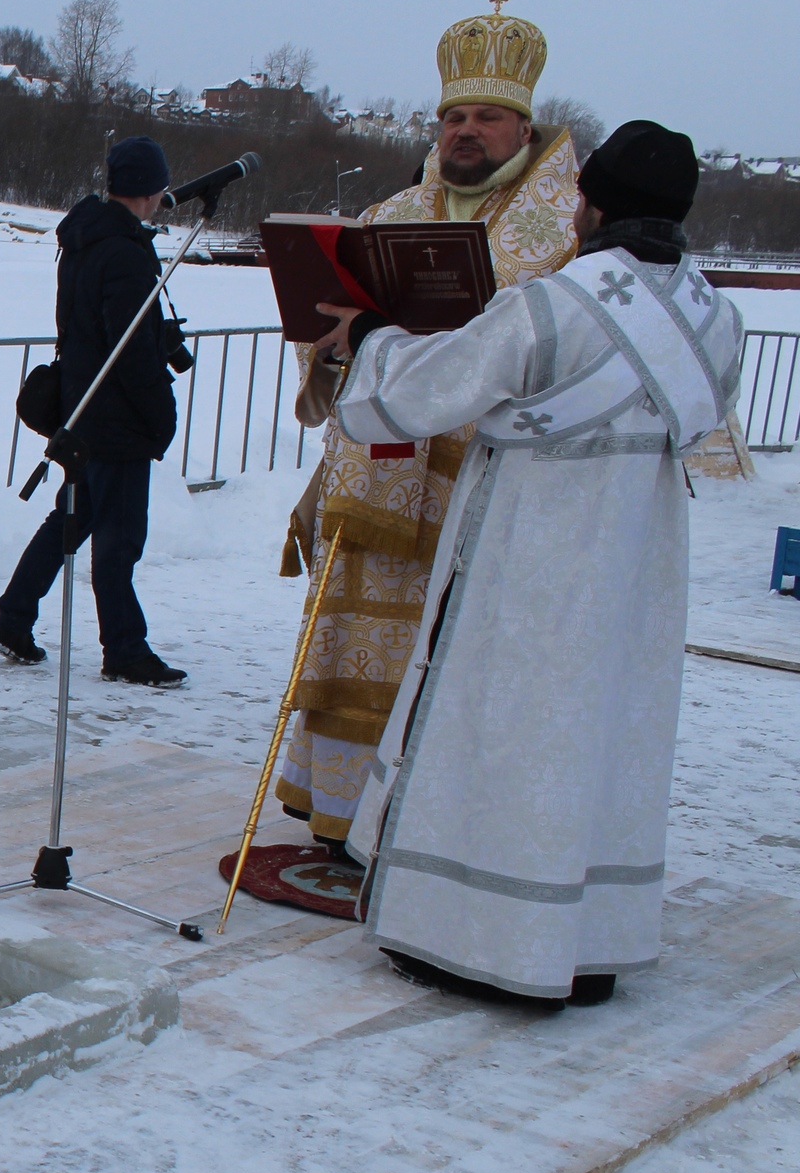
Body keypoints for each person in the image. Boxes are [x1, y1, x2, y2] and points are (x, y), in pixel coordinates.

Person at [311, 120, 739, 1006]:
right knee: (604, 739)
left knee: (500, 735)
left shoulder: (556, 304)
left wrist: (373, 338)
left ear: (590, 204)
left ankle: (473, 939)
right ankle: (585, 945)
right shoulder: (715, 318)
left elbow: (423, 391)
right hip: (635, 575)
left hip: (529, 562)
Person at [274, 2, 580, 855]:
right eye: (454, 116)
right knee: (351, 643)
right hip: (376, 472)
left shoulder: (564, 226)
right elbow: (326, 334)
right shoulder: (392, 208)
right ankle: (337, 819)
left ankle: (425, 829)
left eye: (485, 116)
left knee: (445, 658)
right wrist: (329, 344)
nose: (466, 131)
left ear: (524, 123)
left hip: (473, 483)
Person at [0, 136, 184, 688]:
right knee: (118, 538)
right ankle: (124, 649)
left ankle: (13, 618)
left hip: (81, 406)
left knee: (73, 519)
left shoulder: (85, 240)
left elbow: (94, 329)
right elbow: (129, 346)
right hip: (115, 418)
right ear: (152, 188)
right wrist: (159, 413)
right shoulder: (123, 250)